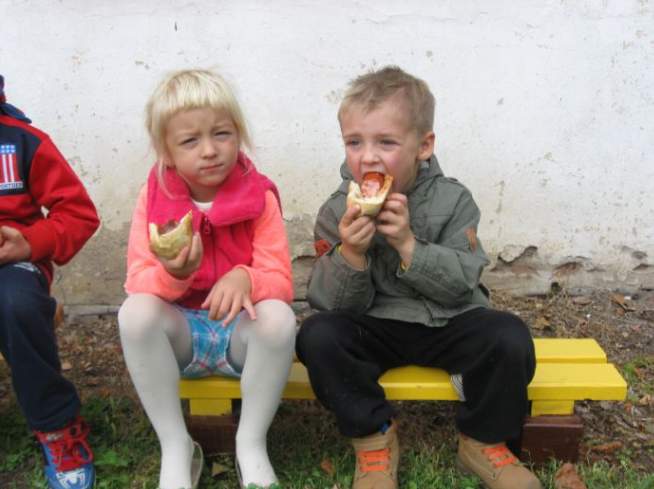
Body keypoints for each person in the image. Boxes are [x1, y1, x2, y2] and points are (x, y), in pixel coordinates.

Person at [296, 66, 542, 489]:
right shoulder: (337, 210)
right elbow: (332, 305)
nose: (368, 157)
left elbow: (462, 283)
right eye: (355, 142)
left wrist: (409, 245)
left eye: (386, 142)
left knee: (508, 336)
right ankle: (373, 440)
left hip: (446, 320)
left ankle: (483, 441)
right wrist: (351, 254)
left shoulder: (454, 200)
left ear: (423, 146)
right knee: (318, 336)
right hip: (374, 324)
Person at [118, 69, 296, 489]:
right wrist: (174, 275)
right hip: (180, 337)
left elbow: (281, 279)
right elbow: (137, 279)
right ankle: (176, 446)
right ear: (166, 152)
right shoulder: (153, 198)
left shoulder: (259, 197)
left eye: (221, 134)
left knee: (279, 318)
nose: (210, 150)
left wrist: (246, 278)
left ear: (239, 134)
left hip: (240, 338)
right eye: (190, 141)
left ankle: (250, 443)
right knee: (135, 313)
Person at [0, 75, 100, 489]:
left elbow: (79, 214)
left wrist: (30, 244)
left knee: (16, 306)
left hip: (11, 266)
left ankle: (57, 426)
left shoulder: (24, 141)